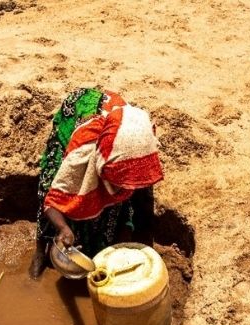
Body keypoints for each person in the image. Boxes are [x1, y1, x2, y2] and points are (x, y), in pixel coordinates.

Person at [29, 88, 163, 278]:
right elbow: (53, 201)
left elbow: (126, 201)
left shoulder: (140, 146)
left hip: (119, 140)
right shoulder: (82, 152)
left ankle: (100, 248)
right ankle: (39, 252)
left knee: (116, 202)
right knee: (48, 183)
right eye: (118, 181)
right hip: (77, 118)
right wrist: (63, 228)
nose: (122, 188)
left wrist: (121, 247)